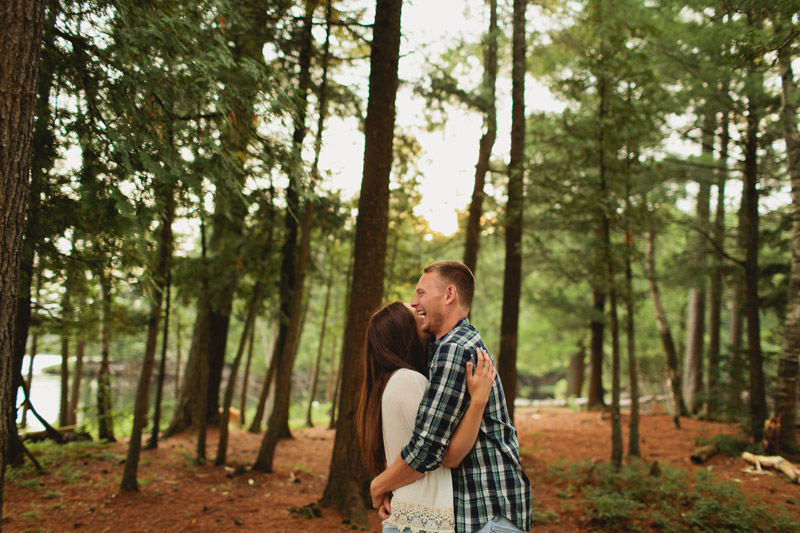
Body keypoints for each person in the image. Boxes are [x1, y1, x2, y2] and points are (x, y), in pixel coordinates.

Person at [370, 261, 532, 533]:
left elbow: (428, 448)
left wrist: (379, 485)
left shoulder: (453, 350)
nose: (414, 300)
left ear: (449, 295)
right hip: (490, 514)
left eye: (421, 293)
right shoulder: (450, 346)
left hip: (488, 513)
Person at [358, 301, 498, 533]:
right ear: (406, 333)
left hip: (412, 517)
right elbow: (443, 452)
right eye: (418, 315)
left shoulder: (390, 382)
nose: (423, 312)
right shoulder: (410, 380)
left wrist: (382, 485)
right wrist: (478, 401)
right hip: (421, 520)